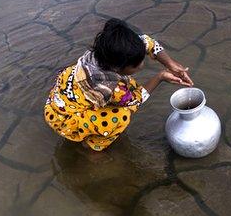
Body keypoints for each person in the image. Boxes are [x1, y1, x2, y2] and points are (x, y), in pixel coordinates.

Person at [43, 18, 192, 151]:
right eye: (138, 63)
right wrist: (160, 76)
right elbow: (134, 101)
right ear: (119, 67)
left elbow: (148, 42)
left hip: (66, 95)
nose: (142, 64)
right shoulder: (111, 88)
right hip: (64, 118)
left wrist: (170, 63)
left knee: (129, 85)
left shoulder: (106, 52)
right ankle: (93, 145)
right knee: (121, 115)